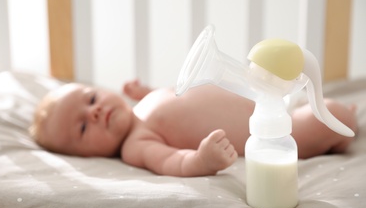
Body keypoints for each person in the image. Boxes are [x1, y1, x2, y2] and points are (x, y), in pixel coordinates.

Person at [29, 79, 358, 177]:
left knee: (310, 102)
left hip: (267, 106)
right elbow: (171, 161)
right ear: (83, 155)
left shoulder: (141, 108)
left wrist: (144, 92)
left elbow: (173, 100)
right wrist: (202, 160)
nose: (96, 112)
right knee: (331, 113)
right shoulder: (136, 144)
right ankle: (344, 124)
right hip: (271, 133)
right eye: (83, 128)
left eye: (91, 98)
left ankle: (332, 136)